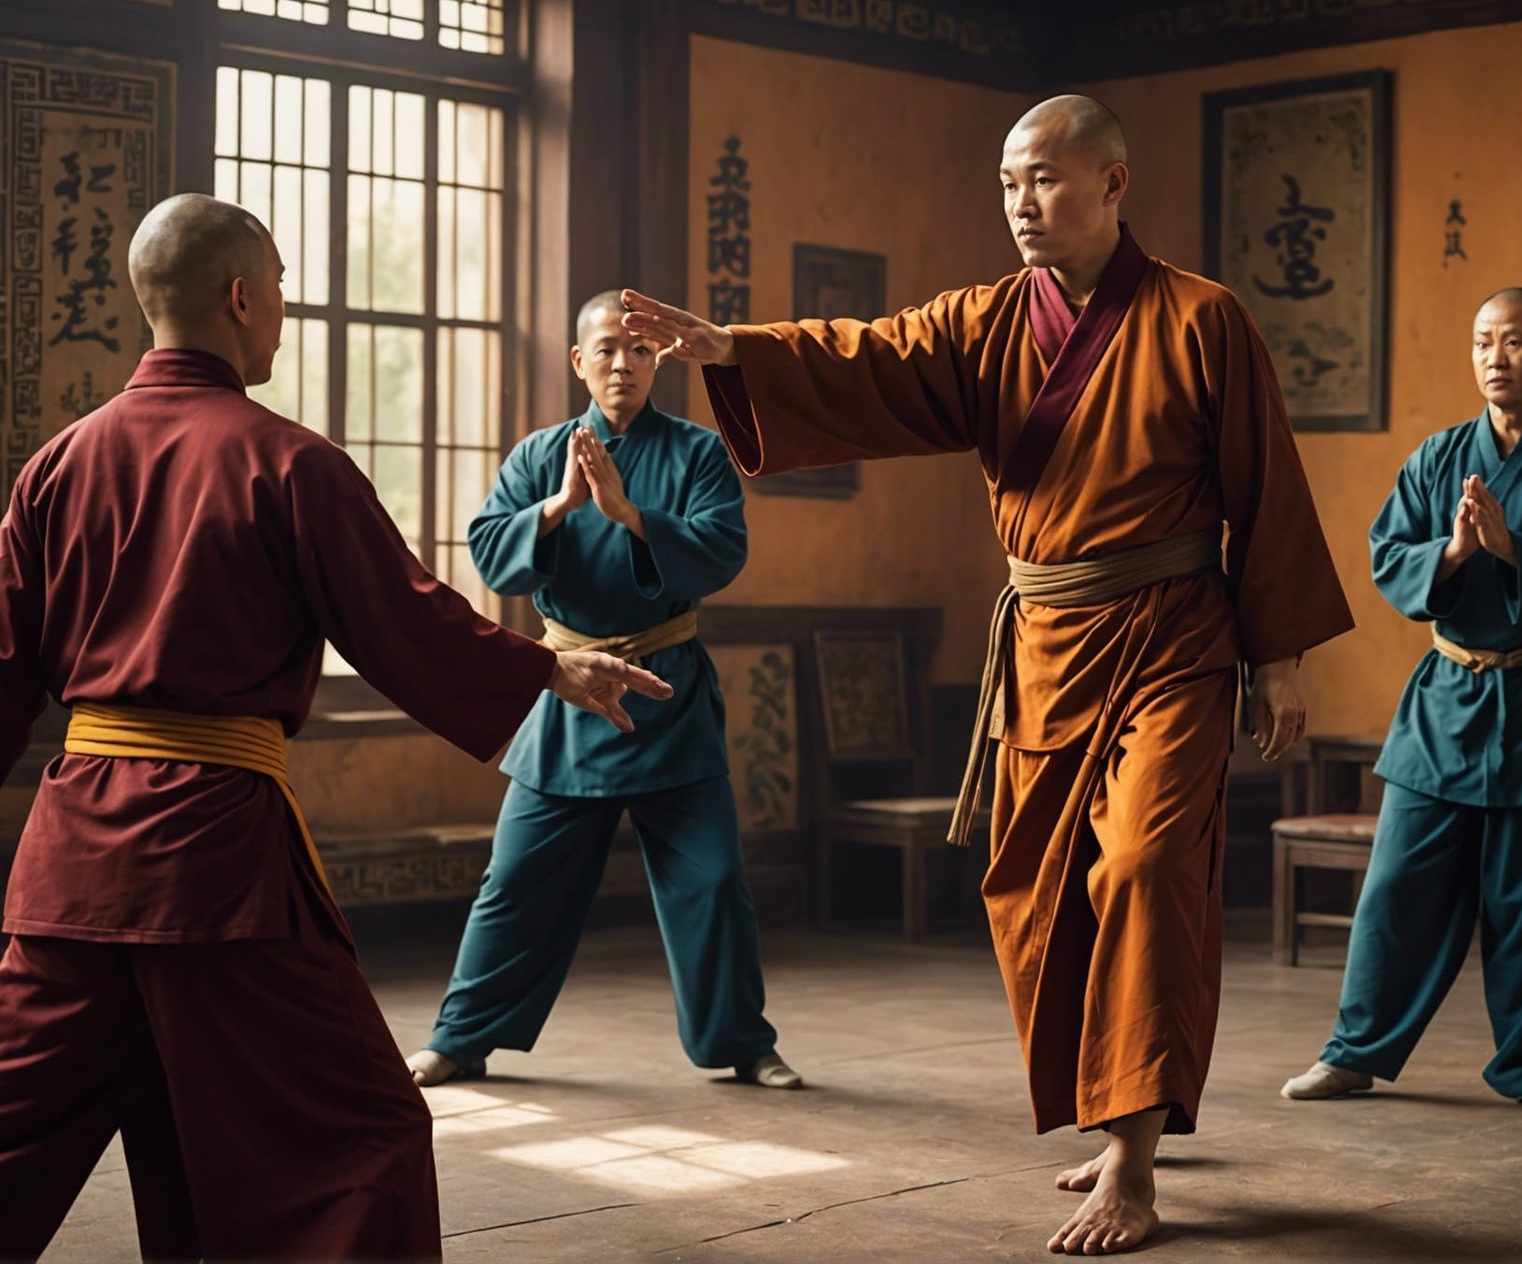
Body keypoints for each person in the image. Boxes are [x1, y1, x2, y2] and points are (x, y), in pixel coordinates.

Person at [623, 94, 1353, 1255]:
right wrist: (734, 351)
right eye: (1009, 182)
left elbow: (1264, 484)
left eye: (1045, 179)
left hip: (1171, 637)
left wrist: (1279, 658)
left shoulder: (1199, 318)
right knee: (1037, 892)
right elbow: (867, 356)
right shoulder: (983, 321)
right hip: (1046, 647)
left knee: (1146, 863)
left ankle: (1134, 1161)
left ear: (1111, 183)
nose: (1021, 203)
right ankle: (1116, 1108)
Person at [0, 195, 672, 1261]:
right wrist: (547, 665)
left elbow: (3, 667)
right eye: (278, 288)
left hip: (69, 868)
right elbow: (401, 618)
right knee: (363, 1136)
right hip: (214, 868)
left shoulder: (56, 465)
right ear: (238, 297)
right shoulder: (285, 461)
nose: (284, 308)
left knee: (29, 1132)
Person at [405, 290, 800, 1093]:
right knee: (516, 880)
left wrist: (630, 514)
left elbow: (723, 549)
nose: (624, 364)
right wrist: (561, 506)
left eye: (639, 350)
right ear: (579, 361)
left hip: (667, 693)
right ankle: (461, 1039)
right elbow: (490, 551)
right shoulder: (538, 454)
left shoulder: (698, 453)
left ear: (659, 362)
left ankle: (743, 1043)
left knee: (714, 879)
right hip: (569, 692)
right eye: (607, 350)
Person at [1282, 288, 1522, 1121]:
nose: (1497, 357)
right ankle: (1353, 1052)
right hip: (1446, 696)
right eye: (1484, 341)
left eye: (1515, 341)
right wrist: (1453, 552)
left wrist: (1514, 548)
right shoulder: (1438, 457)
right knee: (1397, 887)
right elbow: (1389, 554)